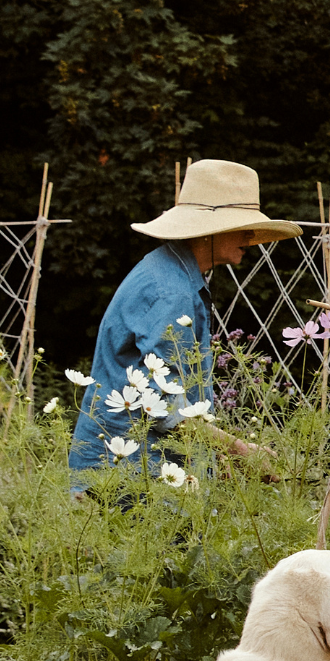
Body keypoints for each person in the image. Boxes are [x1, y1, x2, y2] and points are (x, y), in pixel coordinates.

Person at [68, 160, 299, 486]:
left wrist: (217, 455)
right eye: (242, 226)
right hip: (126, 473)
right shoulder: (171, 291)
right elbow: (165, 406)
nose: (251, 238)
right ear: (210, 231)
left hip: (142, 466)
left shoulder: (174, 274)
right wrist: (240, 450)